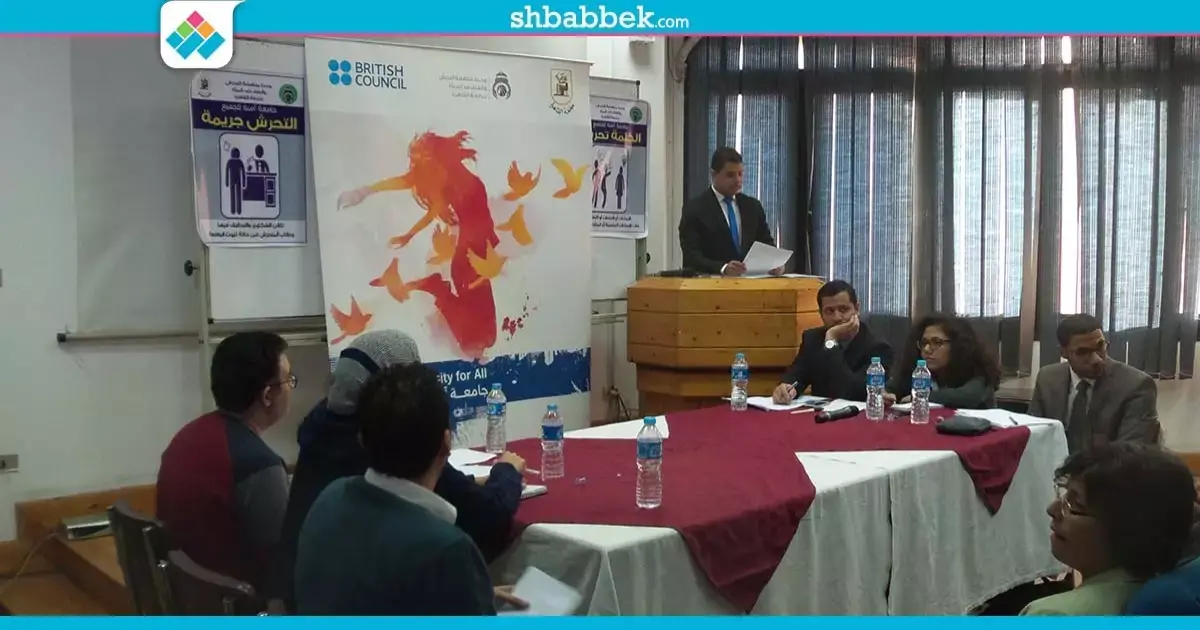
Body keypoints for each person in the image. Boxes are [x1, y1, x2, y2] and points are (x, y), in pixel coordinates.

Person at [276, 330, 524, 610]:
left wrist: (465, 593)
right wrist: (507, 471)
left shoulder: (330, 496)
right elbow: (487, 514)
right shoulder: (446, 549)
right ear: (445, 443)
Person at [156, 332, 294, 595]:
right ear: (267, 395)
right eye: (289, 380)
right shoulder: (259, 466)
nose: (290, 388)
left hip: (188, 596)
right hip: (236, 602)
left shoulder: (187, 436)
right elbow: (282, 565)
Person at [1021, 443, 1196, 615]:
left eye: (1075, 504)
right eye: (1064, 494)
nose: (1052, 510)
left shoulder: (1051, 613)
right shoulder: (1175, 597)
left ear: (1128, 531)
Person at [1027, 314, 1160, 454]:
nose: (1097, 359)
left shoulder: (1136, 385)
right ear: (1063, 352)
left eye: (1100, 346)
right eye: (1083, 352)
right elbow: (1033, 435)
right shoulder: (1047, 378)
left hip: (1108, 466)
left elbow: (1130, 453)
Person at [772, 280, 894, 402]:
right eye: (830, 311)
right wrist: (786, 387)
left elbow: (851, 392)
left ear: (857, 309)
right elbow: (796, 376)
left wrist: (831, 340)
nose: (837, 318)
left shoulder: (878, 347)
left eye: (843, 309)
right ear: (821, 314)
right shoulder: (812, 339)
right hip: (818, 412)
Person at [678, 147, 782, 276]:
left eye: (740, 174)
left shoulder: (753, 206)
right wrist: (723, 268)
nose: (737, 180)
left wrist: (774, 263)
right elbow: (691, 256)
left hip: (751, 282)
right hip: (712, 283)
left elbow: (766, 243)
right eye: (730, 175)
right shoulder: (695, 209)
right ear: (714, 174)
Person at [885, 313, 1001, 409]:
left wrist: (920, 397)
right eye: (924, 343)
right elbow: (892, 389)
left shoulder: (977, 370)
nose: (927, 349)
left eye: (937, 342)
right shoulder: (920, 371)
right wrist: (884, 395)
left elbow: (970, 396)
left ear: (958, 346)